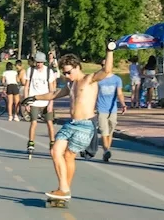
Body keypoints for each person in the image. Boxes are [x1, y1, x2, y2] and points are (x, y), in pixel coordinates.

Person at [22, 41, 116, 201]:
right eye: (64, 73)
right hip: (71, 124)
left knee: (68, 156)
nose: (66, 76)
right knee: (55, 151)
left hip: (85, 125)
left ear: (77, 66)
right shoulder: (70, 84)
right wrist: (33, 98)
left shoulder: (90, 79)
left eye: (68, 72)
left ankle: (64, 190)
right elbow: (53, 94)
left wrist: (109, 50)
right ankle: (64, 189)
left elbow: (107, 70)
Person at [24, 52, 57, 155]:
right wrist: (27, 102)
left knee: (49, 122)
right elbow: (26, 87)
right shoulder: (30, 71)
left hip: (46, 101)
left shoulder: (48, 72)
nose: (39, 64)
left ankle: (52, 142)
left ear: (44, 62)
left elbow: (52, 89)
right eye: (37, 62)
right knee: (33, 122)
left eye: (41, 62)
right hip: (34, 101)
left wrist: (51, 103)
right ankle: (31, 142)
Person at [96, 66, 126, 162]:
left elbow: (120, 93)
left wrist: (123, 104)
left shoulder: (117, 79)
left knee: (110, 131)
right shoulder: (98, 80)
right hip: (101, 108)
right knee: (104, 131)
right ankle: (106, 150)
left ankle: (106, 151)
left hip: (112, 109)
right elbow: (94, 94)